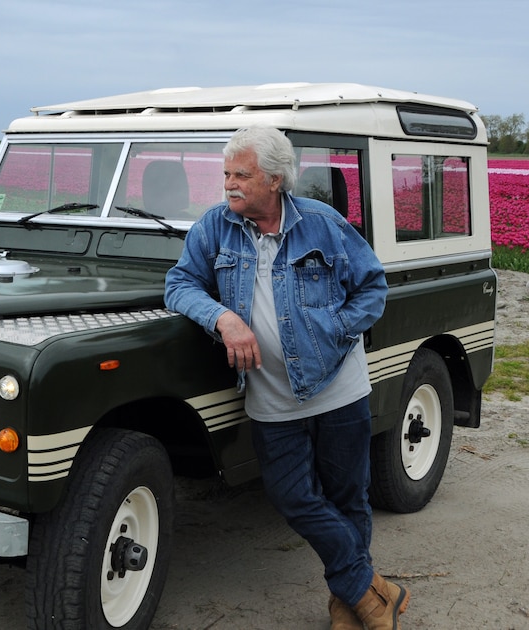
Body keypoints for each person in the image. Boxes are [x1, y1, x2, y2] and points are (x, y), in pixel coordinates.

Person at [164, 126, 408, 629]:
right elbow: (179, 283)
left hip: (338, 388)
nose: (229, 185)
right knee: (291, 496)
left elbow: (373, 287)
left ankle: (348, 604)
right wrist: (222, 319)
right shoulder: (214, 228)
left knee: (348, 497)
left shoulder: (323, 223)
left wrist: (335, 328)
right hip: (271, 399)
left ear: (275, 180)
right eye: (226, 174)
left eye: (242, 175)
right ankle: (372, 588)